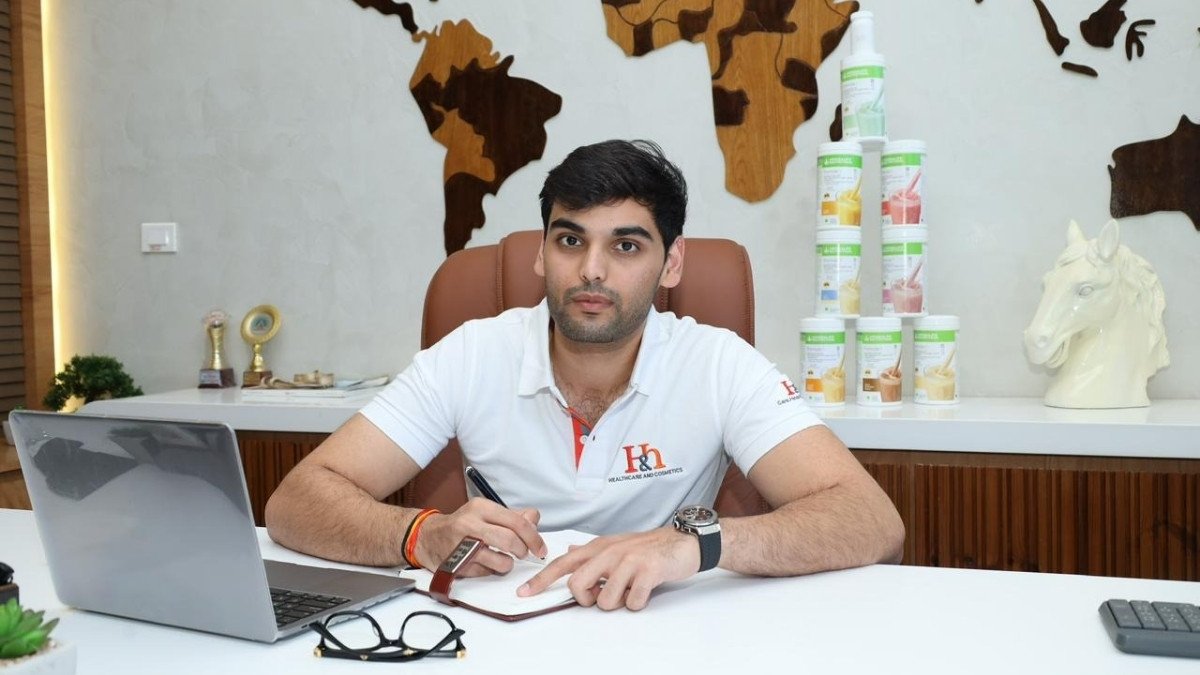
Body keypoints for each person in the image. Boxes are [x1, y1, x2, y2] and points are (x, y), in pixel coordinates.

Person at [265, 139, 904, 611]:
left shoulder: (718, 362)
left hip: (663, 627)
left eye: (626, 246)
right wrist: (421, 534)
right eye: (570, 241)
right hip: (500, 632)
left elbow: (872, 521)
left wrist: (695, 545)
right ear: (542, 254)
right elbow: (296, 502)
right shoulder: (472, 353)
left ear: (672, 263)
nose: (592, 269)